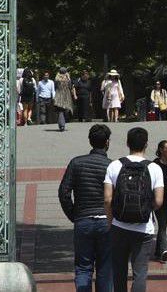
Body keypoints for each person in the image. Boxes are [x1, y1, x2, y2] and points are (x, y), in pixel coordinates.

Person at [103, 127, 165, 292]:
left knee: (119, 272)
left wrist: (110, 222)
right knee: (140, 273)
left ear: (127, 143)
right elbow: (159, 201)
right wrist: (145, 208)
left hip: (119, 226)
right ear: (146, 144)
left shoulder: (114, 165)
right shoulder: (154, 168)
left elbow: (107, 199)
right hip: (144, 228)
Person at [58, 124, 113, 292]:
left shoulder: (76, 163)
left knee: (83, 266)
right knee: (105, 267)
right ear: (107, 143)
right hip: (106, 221)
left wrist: (74, 214)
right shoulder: (112, 165)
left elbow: (64, 192)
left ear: (90, 141)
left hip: (83, 219)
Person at [54, 67, 76, 132]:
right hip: (66, 96)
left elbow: (55, 87)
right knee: (65, 110)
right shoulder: (68, 79)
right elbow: (70, 87)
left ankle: (61, 125)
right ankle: (62, 124)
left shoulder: (57, 79)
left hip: (59, 96)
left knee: (60, 110)